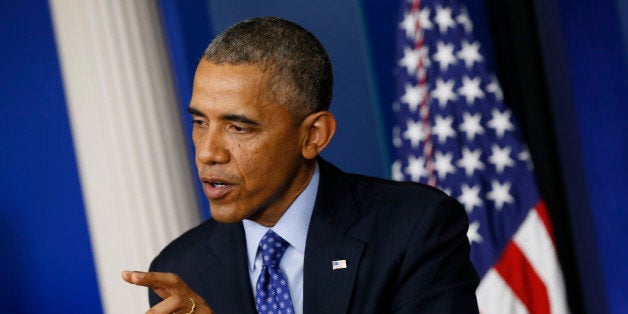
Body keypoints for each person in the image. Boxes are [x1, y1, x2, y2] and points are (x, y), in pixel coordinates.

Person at [122, 16, 479, 314]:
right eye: (200, 122)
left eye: (238, 127)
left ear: (313, 136)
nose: (207, 153)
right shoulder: (181, 269)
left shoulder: (414, 228)